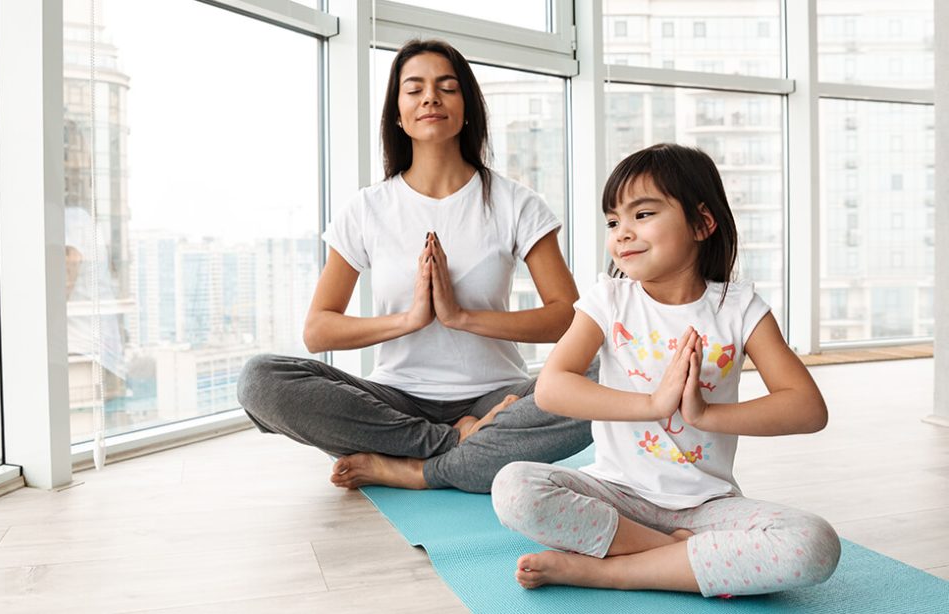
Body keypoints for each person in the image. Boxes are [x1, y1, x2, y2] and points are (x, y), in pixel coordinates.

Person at [237, 39, 595, 494]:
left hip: (500, 397)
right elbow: (318, 330)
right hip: (397, 402)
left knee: (609, 374)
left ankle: (413, 468)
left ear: (467, 108)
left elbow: (567, 316)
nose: (431, 98)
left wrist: (461, 318)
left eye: (446, 87)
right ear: (398, 113)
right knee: (259, 379)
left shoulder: (514, 203)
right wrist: (409, 320)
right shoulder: (368, 208)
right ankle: (456, 446)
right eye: (415, 89)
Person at [491, 143, 840, 597]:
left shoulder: (739, 309)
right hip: (615, 495)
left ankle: (606, 571)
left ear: (702, 223)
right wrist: (654, 404)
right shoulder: (608, 300)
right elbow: (553, 389)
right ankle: (674, 556)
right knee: (514, 487)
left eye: (643, 214)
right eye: (613, 221)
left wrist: (704, 416)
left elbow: (807, 410)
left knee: (814, 545)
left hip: (706, 507)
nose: (622, 233)